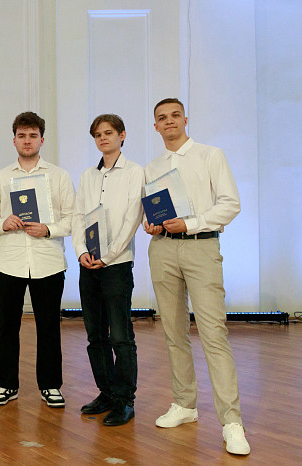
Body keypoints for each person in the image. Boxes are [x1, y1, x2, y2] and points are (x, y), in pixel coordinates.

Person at [144, 98, 249, 455]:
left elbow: (230, 203)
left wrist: (190, 223)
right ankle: (185, 404)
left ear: (185, 119)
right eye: (162, 118)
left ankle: (232, 422)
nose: (169, 121)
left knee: (213, 333)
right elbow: (154, 207)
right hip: (162, 248)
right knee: (173, 332)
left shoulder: (210, 155)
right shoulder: (153, 166)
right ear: (155, 126)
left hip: (201, 247)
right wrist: (151, 223)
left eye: (175, 115)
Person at [0, 112, 74, 408]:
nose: (27, 140)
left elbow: (73, 219)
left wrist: (49, 229)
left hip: (48, 261)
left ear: (41, 140)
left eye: (33, 135)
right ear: (14, 140)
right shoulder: (1, 177)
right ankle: (6, 384)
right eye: (22, 135)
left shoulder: (58, 175)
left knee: (49, 326)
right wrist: (2, 223)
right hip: (9, 261)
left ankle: (51, 386)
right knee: (7, 326)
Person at [72, 114, 144, 425]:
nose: (103, 138)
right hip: (89, 264)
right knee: (95, 335)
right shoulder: (88, 176)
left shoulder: (134, 172)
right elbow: (78, 217)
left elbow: (132, 219)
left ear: (122, 135)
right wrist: (81, 252)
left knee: (121, 337)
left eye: (109, 133)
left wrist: (110, 254)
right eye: (98, 135)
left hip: (116, 264)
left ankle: (125, 400)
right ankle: (106, 392)